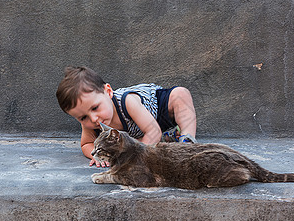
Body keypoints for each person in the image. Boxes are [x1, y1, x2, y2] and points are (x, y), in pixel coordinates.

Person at [56, 66, 197, 167]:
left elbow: (153, 131)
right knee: (131, 144)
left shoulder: (127, 102)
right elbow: (86, 144)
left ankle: (186, 139)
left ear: (108, 91)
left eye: (95, 108)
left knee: (181, 94)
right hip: (140, 133)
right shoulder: (90, 123)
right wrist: (96, 156)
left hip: (157, 110)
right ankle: (170, 138)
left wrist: (135, 158)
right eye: (82, 118)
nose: (93, 119)